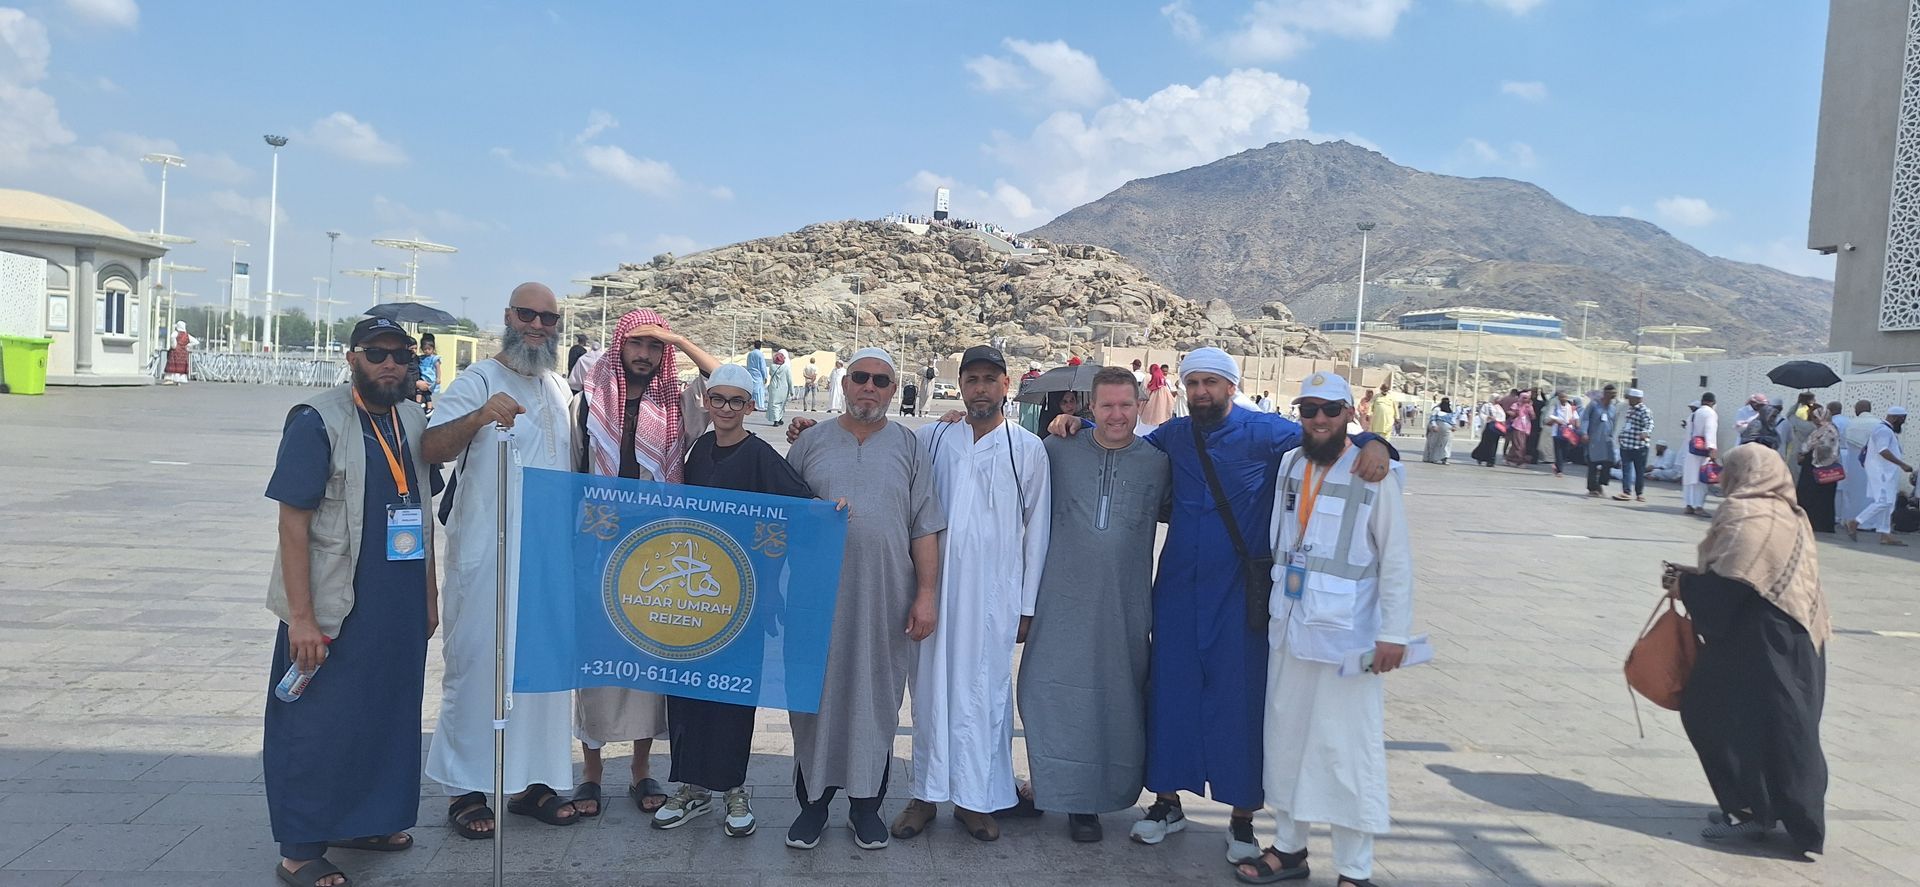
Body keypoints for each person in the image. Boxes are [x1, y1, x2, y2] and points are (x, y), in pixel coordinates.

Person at [1046, 348, 1394, 866]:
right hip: (1178, 588)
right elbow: (1123, 440)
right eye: (1193, 383)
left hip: (1239, 593)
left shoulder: (1267, 433)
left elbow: (1325, 435)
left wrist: (1375, 441)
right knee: (1171, 692)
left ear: (1231, 386)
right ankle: (1167, 803)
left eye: (1211, 382)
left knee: (1239, 699)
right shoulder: (1175, 435)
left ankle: (1242, 816)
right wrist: (1074, 422)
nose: (1201, 392)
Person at [264, 317, 437, 887]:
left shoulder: (411, 418)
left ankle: (367, 821)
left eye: (400, 354)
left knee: (386, 713)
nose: (390, 364)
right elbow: (293, 524)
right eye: (377, 353)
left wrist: (429, 594)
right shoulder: (317, 420)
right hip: (334, 602)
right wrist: (302, 617)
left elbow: (422, 513)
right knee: (318, 722)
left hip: (397, 601)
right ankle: (299, 849)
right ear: (352, 358)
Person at [1235, 372, 1414, 887]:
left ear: (1348, 414)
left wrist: (1395, 634)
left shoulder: (1374, 472)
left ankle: (1355, 869)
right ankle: (1289, 848)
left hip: (1349, 637)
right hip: (1291, 628)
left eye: (1330, 410)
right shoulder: (1292, 463)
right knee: (1287, 742)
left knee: (1346, 751)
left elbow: (1396, 559)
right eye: (1308, 409)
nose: (1318, 419)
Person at [423, 283, 580, 839]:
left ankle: (534, 781)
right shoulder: (477, 381)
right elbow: (431, 448)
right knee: (479, 666)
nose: (537, 325)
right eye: (528, 315)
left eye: (548, 318)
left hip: (546, 559)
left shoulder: (558, 387)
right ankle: (464, 786)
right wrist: (478, 417)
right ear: (509, 317)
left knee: (541, 669)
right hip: (488, 558)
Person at [781, 347, 945, 851]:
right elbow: (780, 517)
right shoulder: (810, 442)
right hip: (816, 601)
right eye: (860, 377)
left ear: (893, 390)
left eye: (880, 380)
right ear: (845, 383)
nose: (869, 387)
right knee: (814, 699)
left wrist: (926, 594)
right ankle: (812, 805)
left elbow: (925, 526)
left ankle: (866, 806)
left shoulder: (909, 446)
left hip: (884, 598)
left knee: (875, 700)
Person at [892, 345, 1051, 844]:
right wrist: (808, 430)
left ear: (1007, 385)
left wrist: (1026, 606)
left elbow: (1038, 531)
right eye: (971, 379)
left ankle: (974, 800)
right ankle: (924, 795)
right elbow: (884, 453)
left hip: (992, 601)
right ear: (959, 386)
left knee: (983, 696)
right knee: (929, 693)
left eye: (989, 379)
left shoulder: (1027, 448)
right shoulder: (935, 437)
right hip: (933, 594)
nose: (980, 388)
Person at [571, 308, 719, 822]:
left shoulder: (676, 402)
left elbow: (723, 379)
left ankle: (640, 768)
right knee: (595, 658)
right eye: (637, 342)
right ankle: (592, 771)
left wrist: (677, 337)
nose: (645, 353)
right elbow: (572, 465)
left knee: (649, 658)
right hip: (599, 542)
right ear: (620, 345)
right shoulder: (588, 401)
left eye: (655, 346)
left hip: (656, 546)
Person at [1019, 366, 1170, 843]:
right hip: (1059, 600)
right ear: (1091, 406)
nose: (1116, 414)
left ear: (1139, 405)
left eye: (1125, 405)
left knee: (1111, 698)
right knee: (1046, 691)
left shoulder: (1158, 463)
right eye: (1107, 405)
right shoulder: (1056, 449)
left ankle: (1088, 802)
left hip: (1122, 606)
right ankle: (1051, 786)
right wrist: (954, 422)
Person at [666, 363, 817, 838]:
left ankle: (733, 787)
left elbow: (798, 508)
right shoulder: (696, 451)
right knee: (688, 692)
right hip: (692, 597)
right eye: (719, 399)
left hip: (742, 600)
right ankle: (691, 786)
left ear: (750, 406)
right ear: (706, 402)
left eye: (736, 401)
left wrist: (769, 580)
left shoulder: (760, 456)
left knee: (733, 694)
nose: (727, 409)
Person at [1670, 444, 1830, 855]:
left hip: (1758, 643)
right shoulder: (1792, 514)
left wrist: (1684, 585)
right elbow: (1749, 572)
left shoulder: (1744, 512)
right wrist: (1696, 578)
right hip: (1798, 635)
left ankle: (1753, 811)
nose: (1724, 476)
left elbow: (1730, 586)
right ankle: (1771, 811)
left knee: (1719, 715)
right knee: (1783, 727)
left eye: (1729, 468)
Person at [1843, 406, 1913, 546]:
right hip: (1881, 473)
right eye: (1902, 419)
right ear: (1894, 417)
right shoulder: (1883, 431)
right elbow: (1883, 451)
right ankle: (1855, 522)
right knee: (1883, 502)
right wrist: (1902, 464)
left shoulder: (1886, 430)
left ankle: (1884, 534)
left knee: (1888, 503)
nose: (1903, 422)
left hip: (1887, 473)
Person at [1796, 405, 1840, 534]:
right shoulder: (1823, 429)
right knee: (1813, 496)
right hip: (1815, 466)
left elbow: (1825, 448)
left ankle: (1817, 523)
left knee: (1815, 496)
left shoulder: (1828, 430)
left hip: (1819, 467)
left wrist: (1807, 452)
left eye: (1815, 417)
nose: (1814, 420)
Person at [1837, 400, 1876, 522]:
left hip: (1852, 465)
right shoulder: (1878, 424)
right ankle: (1868, 522)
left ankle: (1851, 520)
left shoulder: (1851, 424)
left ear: (1859, 409)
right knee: (1870, 494)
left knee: (1852, 493)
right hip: (1872, 465)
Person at [1684, 393, 1721, 517]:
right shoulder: (1710, 413)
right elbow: (1710, 430)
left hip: (1691, 450)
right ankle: (1698, 506)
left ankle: (1689, 505)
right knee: (1702, 478)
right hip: (1703, 451)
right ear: (1712, 402)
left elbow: (1688, 433)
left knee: (1690, 478)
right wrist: (1712, 448)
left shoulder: (1694, 414)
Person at [1580, 386, 1620, 498]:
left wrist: (1613, 436)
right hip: (1594, 439)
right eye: (1611, 394)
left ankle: (1600, 484)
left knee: (1609, 462)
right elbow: (1585, 418)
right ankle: (1593, 488)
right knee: (1593, 464)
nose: (1613, 396)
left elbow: (1614, 423)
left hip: (1607, 440)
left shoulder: (1613, 408)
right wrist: (1584, 433)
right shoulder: (1594, 405)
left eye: (1614, 394)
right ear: (1605, 393)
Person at [1617, 388, 1654, 502]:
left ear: (1638, 399)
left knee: (1639, 471)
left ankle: (1639, 493)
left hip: (1639, 446)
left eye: (1631, 398)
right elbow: (1629, 425)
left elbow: (1649, 424)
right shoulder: (1630, 410)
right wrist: (1621, 435)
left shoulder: (1644, 410)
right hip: (1626, 445)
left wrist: (1645, 432)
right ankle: (1626, 492)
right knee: (1626, 470)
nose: (1629, 400)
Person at [1544, 391, 1579, 478]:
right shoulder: (1555, 407)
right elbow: (1548, 417)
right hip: (1557, 432)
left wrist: (1577, 425)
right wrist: (1556, 420)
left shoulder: (1571, 408)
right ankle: (1560, 470)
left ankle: (1557, 465)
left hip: (1568, 432)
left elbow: (1576, 418)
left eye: (1565, 397)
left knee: (1566, 451)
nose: (1563, 399)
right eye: (1561, 397)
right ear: (1558, 398)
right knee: (1558, 451)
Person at [1470, 399, 1507, 467]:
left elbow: (1502, 416)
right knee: (1485, 443)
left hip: (1496, 428)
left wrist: (1501, 422)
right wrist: (1488, 417)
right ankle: (1480, 457)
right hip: (1489, 426)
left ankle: (1491, 461)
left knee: (1494, 445)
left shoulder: (1499, 407)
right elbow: (1481, 414)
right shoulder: (1487, 406)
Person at [1422, 397, 1458, 464]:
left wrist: (1454, 426)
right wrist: (1434, 426)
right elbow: (1433, 418)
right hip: (1438, 428)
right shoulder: (1437, 409)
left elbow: (1452, 419)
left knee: (1446, 443)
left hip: (1446, 429)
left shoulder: (1449, 410)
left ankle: (1443, 458)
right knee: (1435, 443)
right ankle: (1433, 458)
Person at [414, 333, 441, 412]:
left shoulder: (434, 359)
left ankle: (429, 407)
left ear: (433, 349)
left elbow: (438, 369)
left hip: (430, 379)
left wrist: (438, 378)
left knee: (427, 393)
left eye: (429, 349)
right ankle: (418, 404)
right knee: (419, 391)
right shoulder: (421, 358)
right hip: (423, 378)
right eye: (425, 349)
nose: (427, 351)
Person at [766, 349, 794, 426]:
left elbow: (770, 373)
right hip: (784, 389)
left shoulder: (772, 367)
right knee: (782, 404)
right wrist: (792, 391)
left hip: (774, 388)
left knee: (775, 404)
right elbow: (790, 380)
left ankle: (776, 420)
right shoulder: (786, 368)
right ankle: (779, 418)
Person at [163, 320, 194, 384]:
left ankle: (170, 379)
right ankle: (179, 379)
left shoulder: (176, 333)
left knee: (173, 365)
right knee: (180, 366)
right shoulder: (187, 335)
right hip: (183, 353)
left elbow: (172, 337)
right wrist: (188, 346)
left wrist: (174, 345)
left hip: (175, 352)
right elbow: (195, 342)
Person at [744, 340, 769, 410]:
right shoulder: (760, 354)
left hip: (751, 373)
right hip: (758, 374)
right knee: (759, 390)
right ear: (760, 346)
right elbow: (762, 366)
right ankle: (760, 405)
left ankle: (752, 404)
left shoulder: (750, 354)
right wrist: (765, 376)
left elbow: (748, 364)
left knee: (752, 389)